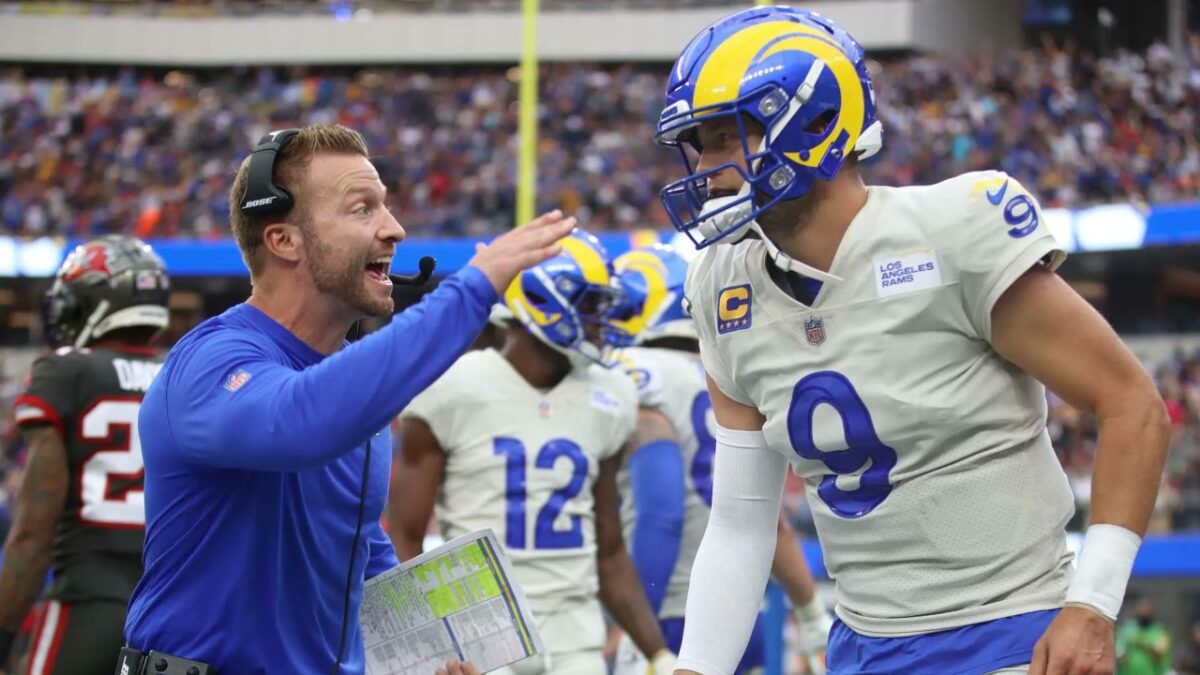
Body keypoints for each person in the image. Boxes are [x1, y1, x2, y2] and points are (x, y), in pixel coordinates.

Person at [654, 7, 1171, 675]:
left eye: (729, 136)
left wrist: (1093, 603)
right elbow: (741, 521)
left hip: (1009, 634)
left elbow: (1133, 404)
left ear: (816, 125)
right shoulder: (725, 285)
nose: (712, 167)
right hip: (862, 644)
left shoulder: (952, 230)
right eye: (701, 143)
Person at [121, 123, 575, 675]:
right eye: (363, 209)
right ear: (283, 240)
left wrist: (423, 654)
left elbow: (356, 556)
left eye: (386, 206)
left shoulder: (347, 386)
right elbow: (300, 422)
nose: (395, 229)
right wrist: (472, 289)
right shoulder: (210, 361)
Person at [388, 230, 676, 675]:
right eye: (590, 304)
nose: (601, 320)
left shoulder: (612, 395)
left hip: (574, 636)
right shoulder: (451, 386)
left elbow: (610, 550)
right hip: (480, 635)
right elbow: (404, 536)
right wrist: (430, 647)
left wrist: (659, 653)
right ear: (544, 300)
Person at [606, 244, 831, 675]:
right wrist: (810, 612)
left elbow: (661, 510)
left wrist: (638, 627)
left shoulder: (630, 376)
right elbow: (769, 524)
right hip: (739, 611)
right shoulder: (730, 374)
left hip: (663, 613)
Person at [0, 235, 169, 675]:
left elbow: (32, 534)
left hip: (88, 601)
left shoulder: (66, 370)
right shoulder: (181, 376)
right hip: (172, 613)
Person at [1115, 599, 1171, 675]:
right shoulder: (1128, 629)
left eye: (1147, 611)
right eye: (1141, 610)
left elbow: (1159, 653)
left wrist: (1140, 643)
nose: (1143, 613)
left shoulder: (1160, 632)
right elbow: (1119, 649)